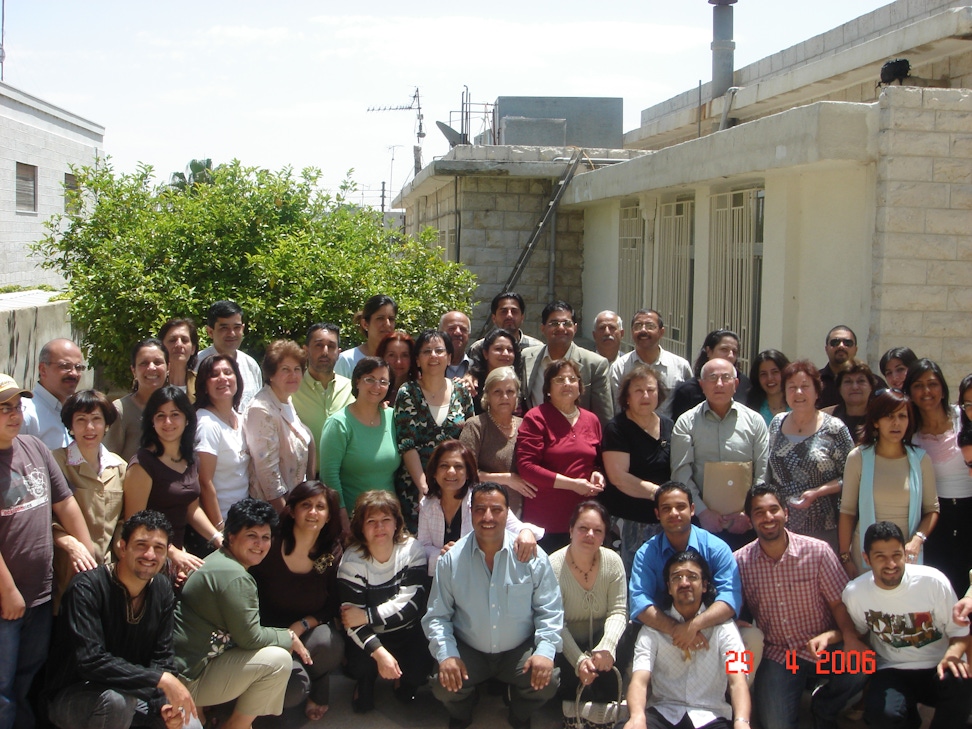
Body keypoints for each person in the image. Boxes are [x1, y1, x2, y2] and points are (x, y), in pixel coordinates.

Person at [422, 482, 563, 729]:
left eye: (496, 510)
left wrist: (544, 650)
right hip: (470, 650)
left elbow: (549, 609)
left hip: (518, 651)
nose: (488, 517)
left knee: (547, 680)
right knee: (443, 683)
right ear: (470, 512)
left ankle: (518, 711)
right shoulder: (451, 560)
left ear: (508, 513)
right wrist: (447, 655)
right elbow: (437, 616)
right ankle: (463, 709)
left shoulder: (532, 556)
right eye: (480, 509)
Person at [0, 373, 96, 729]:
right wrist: (8, 592)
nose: (14, 415)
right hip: (6, 601)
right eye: (3, 408)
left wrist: (89, 554)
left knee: (27, 681)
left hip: (40, 596)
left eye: (16, 407)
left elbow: (66, 504)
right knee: (3, 690)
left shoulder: (34, 448)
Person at [46, 511, 200, 729]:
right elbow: (90, 661)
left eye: (158, 548)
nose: (149, 555)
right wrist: (158, 680)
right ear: (122, 547)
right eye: (141, 545)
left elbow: (163, 657)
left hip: (135, 692)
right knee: (117, 702)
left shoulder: (162, 589)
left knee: (187, 721)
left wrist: (162, 706)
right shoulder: (86, 588)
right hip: (75, 696)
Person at [734, 485, 868, 729]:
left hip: (825, 648)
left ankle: (825, 706)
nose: (768, 517)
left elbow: (839, 603)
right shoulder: (740, 562)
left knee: (863, 662)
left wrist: (846, 636)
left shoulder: (817, 551)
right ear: (750, 519)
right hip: (780, 655)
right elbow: (731, 608)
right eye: (759, 512)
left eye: (773, 509)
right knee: (776, 725)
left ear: (785, 512)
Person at [173, 498, 309, 729]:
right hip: (184, 682)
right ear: (232, 536)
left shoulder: (222, 562)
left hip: (189, 669)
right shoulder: (234, 576)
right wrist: (289, 637)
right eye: (251, 536)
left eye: (265, 537)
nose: (259, 544)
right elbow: (250, 638)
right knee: (278, 660)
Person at [842, 521, 971, 728]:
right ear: (866, 558)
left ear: (905, 554)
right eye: (880, 557)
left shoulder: (933, 582)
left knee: (961, 681)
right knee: (881, 715)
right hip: (893, 669)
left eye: (896, 555)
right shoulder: (855, 593)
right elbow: (859, 633)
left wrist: (953, 653)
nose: (891, 564)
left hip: (937, 665)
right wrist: (834, 636)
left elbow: (961, 632)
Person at [623, 551, 751, 729]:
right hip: (663, 713)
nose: (684, 583)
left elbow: (737, 681)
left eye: (692, 577)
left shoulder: (725, 629)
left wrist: (741, 721)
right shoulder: (652, 629)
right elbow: (639, 680)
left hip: (711, 716)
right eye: (677, 578)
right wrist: (637, 717)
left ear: (704, 585)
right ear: (668, 587)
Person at [250, 482, 345, 722]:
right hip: (266, 634)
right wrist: (281, 636)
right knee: (291, 692)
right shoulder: (270, 545)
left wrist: (301, 625)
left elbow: (332, 604)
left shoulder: (330, 552)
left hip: (306, 630)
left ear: (328, 515)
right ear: (292, 511)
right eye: (306, 505)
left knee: (329, 644)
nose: (313, 512)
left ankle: (316, 679)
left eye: (320, 507)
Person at [336, 490, 431, 713]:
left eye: (386, 520)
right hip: (370, 635)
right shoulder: (351, 561)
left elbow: (411, 605)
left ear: (397, 523)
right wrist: (380, 654)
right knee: (359, 671)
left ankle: (402, 679)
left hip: (406, 631)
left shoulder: (412, 549)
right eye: (371, 521)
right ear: (360, 527)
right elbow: (352, 621)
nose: (380, 527)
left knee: (419, 671)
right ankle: (366, 679)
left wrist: (367, 615)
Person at [628, 482, 744, 659]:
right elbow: (639, 602)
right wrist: (677, 629)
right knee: (640, 642)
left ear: (692, 509)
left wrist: (693, 626)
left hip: (711, 630)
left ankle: (736, 685)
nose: (674, 513)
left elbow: (730, 597)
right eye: (666, 508)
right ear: (658, 514)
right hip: (664, 632)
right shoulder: (647, 554)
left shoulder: (716, 548)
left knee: (752, 639)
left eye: (680, 507)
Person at [123, 386, 222, 583]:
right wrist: (172, 553)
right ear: (152, 421)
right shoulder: (143, 463)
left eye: (175, 414)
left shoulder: (192, 460)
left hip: (179, 554)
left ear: (187, 419)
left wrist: (217, 537)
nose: (167, 422)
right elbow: (134, 524)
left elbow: (191, 509)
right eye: (160, 415)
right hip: (151, 558)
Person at [838, 388, 939, 576]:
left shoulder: (921, 459)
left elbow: (932, 509)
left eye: (902, 416)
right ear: (875, 421)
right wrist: (845, 557)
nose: (896, 423)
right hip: (866, 557)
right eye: (889, 416)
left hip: (908, 558)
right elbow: (847, 511)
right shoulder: (858, 457)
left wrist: (918, 539)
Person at [671, 357, 768, 550]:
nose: (719, 384)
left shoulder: (755, 421)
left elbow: (763, 471)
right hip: (701, 523)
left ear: (736, 384)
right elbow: (681, 473)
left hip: (746, 524)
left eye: (726, 378)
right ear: (701, 385)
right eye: (712, 378)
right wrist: (703, 512)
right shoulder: (686, 422)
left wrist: (749, 512)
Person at [517, 359, 605, 553]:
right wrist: (573, 484)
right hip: (546, 521)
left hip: (583, 521)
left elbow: (596, 461)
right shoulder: (536, 417)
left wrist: (597, 473)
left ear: (580, 387)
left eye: (572, 379)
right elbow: (527, 468)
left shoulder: (592, 420)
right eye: (559, 380)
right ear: (548, 388)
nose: (567, 383)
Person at [416, 439, 540, 576]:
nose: (451, 472)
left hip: (481, 576)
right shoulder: (427, 504)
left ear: (468, 473)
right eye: (444, 466)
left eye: (458, 467)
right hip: (442, 578)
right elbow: (423, 547)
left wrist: (526, 531)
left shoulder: (483, 499)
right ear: (434, 472)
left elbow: (516, 528)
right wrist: (442, 554)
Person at [766, 360, 853, 548]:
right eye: (792, 387)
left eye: (805, 386)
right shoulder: (777, 423)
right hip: (781, 524)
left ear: (817, 391)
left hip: (823, 525)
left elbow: (853, 478)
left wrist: (818, 492)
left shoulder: (835, 429)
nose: (798, 393)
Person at [51, 390, 126, 607]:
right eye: (81, 420)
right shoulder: (56, 462)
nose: (89, 428)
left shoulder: (119, 467)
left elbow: (122, 519)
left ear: (107, 425)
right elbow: (46, 517)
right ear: (70, 427)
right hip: (66, 574)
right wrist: (69, 543)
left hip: (107, 575)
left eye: (96, 419)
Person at [395, 329, 474, 528]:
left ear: (448, 358)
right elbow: (407, 444)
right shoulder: (408, 392)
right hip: (415, 489)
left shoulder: (462, 392)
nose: (433, 356)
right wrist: (424, 487)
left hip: (455, 486)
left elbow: (469, 440)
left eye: (439, 351)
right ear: (418, 360)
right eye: (426, 351)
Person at [906, 359, 972, 595]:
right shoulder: (909, 430)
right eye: (918, 385)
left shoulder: (962, 417)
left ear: (943, 389)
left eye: (932, 384)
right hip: (935, 516)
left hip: (969, 510)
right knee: (941, 584)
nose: (926, 392)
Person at [549, 501, 626, 698]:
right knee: (567, 693)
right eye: (583, 528)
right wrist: (579, 661)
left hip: (602, 643)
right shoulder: (553, 566)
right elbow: (555, 622)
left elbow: (618, 611)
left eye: (597, 531)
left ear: (603, 536)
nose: (590, 535)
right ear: (571, 530)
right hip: (566, 645)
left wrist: (607, 646)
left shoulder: (614, 562)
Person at [602, 364, 673, 574]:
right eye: (638, 390)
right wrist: (658, 493)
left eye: (651, 390)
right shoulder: (617, 428)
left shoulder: (670, 426)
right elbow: (619, 477)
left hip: (663, 520)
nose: (645, 395)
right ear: (627, 397)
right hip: (628, 522)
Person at [319, 357, 400, 528]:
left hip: (389, 520)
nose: (376, 386)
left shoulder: (393, 417)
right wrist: (343, 519)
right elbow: (329, 476)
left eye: (383, 381)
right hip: (354, 520)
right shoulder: (339, 423)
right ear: (357, 381)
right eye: (370, 379)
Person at [242, 340, 314, 512]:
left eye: (297, 369)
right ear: (271, 374)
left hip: (295, 501)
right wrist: (285, 518)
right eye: (285, 370)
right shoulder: (261, 409)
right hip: (272, 511)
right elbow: (268, 475)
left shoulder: (285, 399)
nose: (293, 375)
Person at [521, 300, 614, 425]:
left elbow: (604, 416)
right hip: (536, 437)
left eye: (566, 323)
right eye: (554, 323)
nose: (560, 328)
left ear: (575, 328)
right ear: (543, 328)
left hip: (576, 439)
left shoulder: (594, 365)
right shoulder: (526, 357)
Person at [459, 366, 533, 516]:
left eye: (510, 392)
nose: (504, 397)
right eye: (497, 392)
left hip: (522, 512)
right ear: (487, 396)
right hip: (484, 512)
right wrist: (506, 478)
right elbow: (464, 473)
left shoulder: (526, 425)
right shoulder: (476, 426)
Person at [194, 354, 250, 528]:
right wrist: (219, 528)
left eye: (228, 372)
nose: (222, 378)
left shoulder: (241, 418)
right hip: (223, 522)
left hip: (245, 519)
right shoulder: (206, 423)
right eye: (214, 375)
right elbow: (204, 481)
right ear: (204, 385)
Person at [609, 309, 692, 419]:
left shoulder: (681, 366)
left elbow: (689, 405)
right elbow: (616, 408)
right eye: (638, 326)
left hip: (668, 433)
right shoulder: (619, 368)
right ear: (632, 331)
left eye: (650, 326)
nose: (643, 330)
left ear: (661, 332)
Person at [291, 323, 355, 461]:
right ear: (305, 351)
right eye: (318, 345)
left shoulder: (352, 389)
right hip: (304, 478)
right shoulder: (291, 390)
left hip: (346, 478)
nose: (325, 351)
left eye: (331, 346)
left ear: (338, 353)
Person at [105, 339, 170, 463]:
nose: (151, 368)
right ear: (133, 370)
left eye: (158, 362)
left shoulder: (177, 408)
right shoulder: (120, 410)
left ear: (168, 368)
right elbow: (109, 460)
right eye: (144, 363)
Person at [194, 300, 263, 412]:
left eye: (237, 327)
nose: (231, 334)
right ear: (210, 332)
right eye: (224, 328)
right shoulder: (197, 364)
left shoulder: (251, 365)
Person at [669, 329, 751, 421]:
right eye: (724, 350)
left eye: (734, 352)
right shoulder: (688, 390)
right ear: (709, 351)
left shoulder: (745, 384)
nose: (730, 355)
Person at [20, 338, 85, 449]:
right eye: (65, 366)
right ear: (43, 370)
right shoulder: (25, 414)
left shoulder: (77, 411)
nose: (74, 373)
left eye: (78, 367)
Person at [817, 325, 885, 409]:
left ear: (855, 350)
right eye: (835, 342)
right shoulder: (814, 381)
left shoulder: (875, 383)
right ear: (826, 349)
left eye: (847, 343)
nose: (841, 346)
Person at [335, 294, 397, 378]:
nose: (387, 324)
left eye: (391, 319)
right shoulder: (347, 361)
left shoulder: (398, 361)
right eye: (380, 318)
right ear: (365, 324)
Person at [466, 328, 525, 416]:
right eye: (498, 349)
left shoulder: (520, 383)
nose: (505, 353)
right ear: (486, 353)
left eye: (510, 350)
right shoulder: (474, 386)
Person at [467, 291, 543, 357]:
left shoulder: (537, 348)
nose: (509, 315)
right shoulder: (478, 348)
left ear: (522, 317)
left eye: (514, 311)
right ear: (494, 318)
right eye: (503, 311)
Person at [824, 359, 878, 443]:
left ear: (871, 386)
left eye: (861, 381)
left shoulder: (882, 417)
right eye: (848, 382)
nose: (855, 387)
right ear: (839, 388)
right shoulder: (825, 418)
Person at [746, 349, 791, 426]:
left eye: (775, 372)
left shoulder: (797, 405)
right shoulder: (750, 409)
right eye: (763, 374)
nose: (769, 378)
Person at [158, 318, 199, 402]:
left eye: (184, 340)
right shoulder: (154, 382)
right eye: (172, 340)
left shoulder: (201, 383)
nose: (179, 345)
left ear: (193, 349)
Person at [376, 330, 415, 406]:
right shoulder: (373, 389)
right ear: (382, 357)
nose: (398, 362)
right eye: (391, 355)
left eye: (404, 355)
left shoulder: (421, 391)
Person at [440, 311, 472, 378]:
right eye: (451, 328)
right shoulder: (429, 367)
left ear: (468, 335)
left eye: (463, 329)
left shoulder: (476, 369)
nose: (457, 332)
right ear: (440, 333)